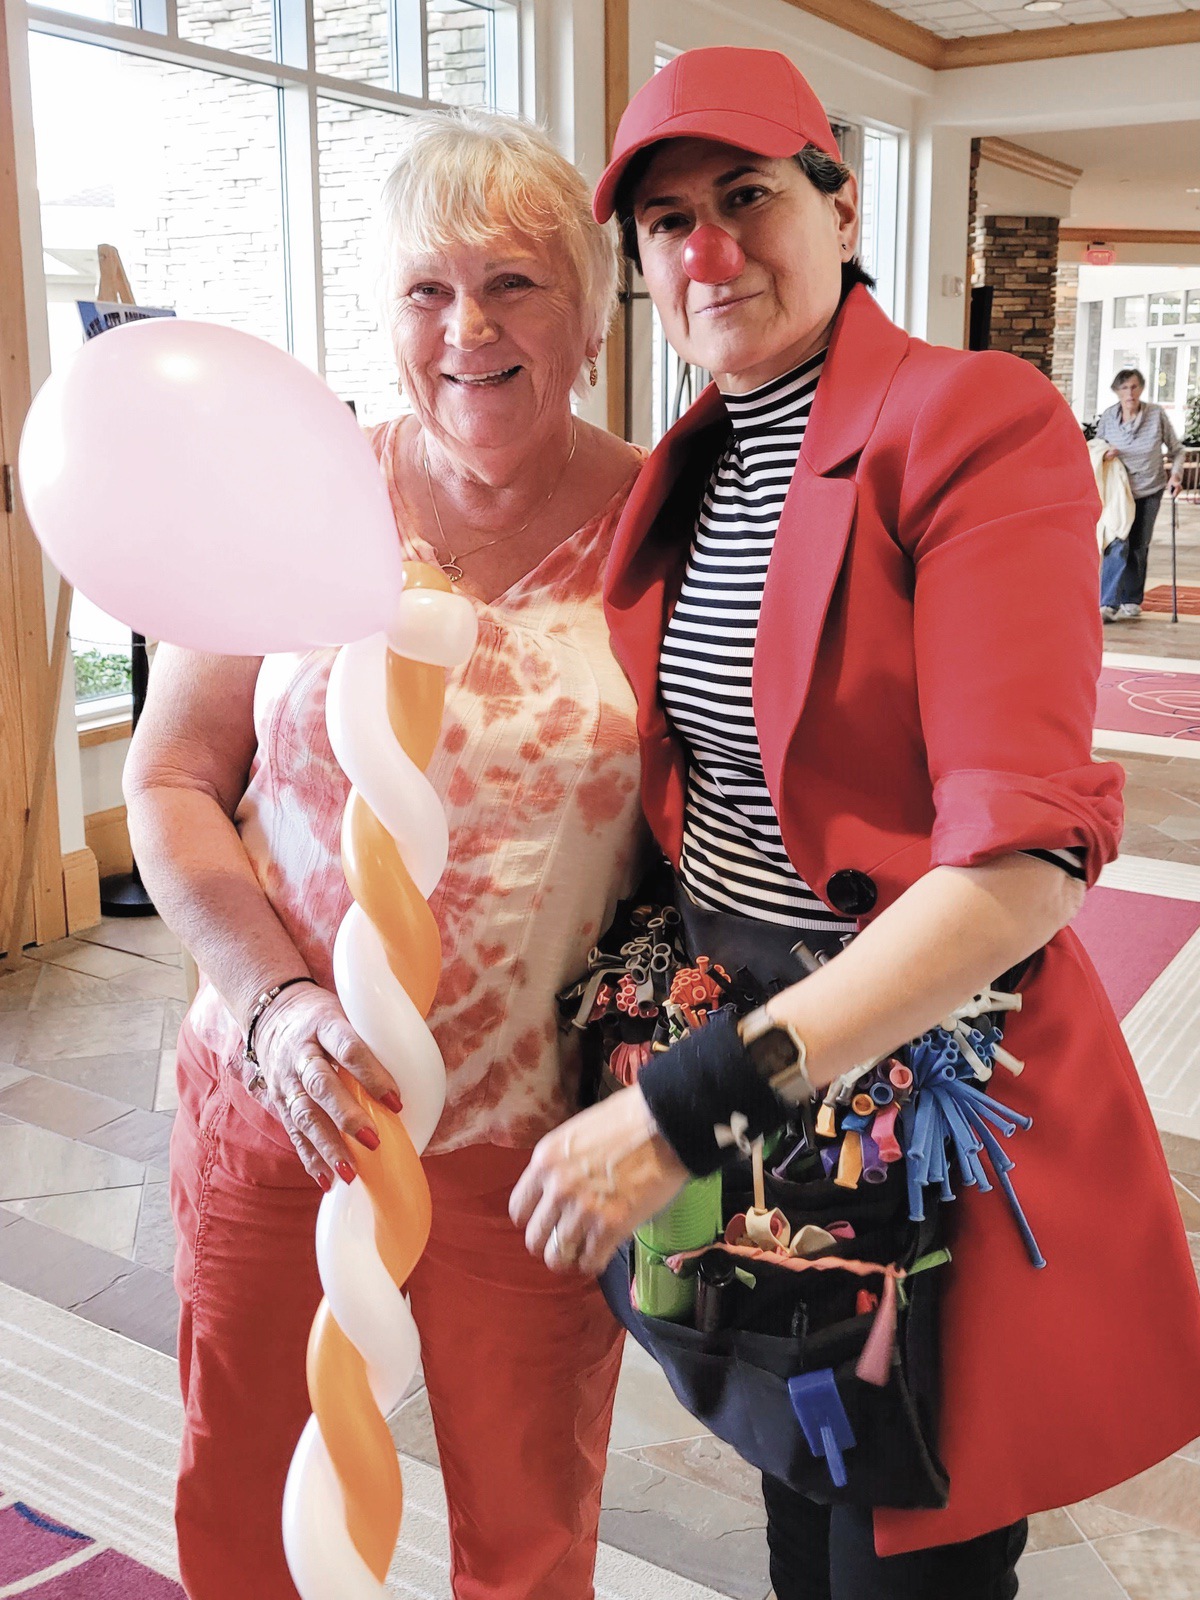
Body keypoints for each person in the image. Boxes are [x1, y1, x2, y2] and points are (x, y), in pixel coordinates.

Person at [511, 47, 1200, 1600]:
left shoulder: (969, 421)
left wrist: (689, 1103)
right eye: (666, 221)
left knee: (911, 1540)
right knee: (798, 1472)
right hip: (760, 1089)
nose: (707, 249)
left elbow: (1020, 868)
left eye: (746, 197)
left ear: (840, 202)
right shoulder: (689, 460)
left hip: (911, 1078)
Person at [124, 107, 646, 1600]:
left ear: (591, 318)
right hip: (279, 1095)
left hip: (533, 1139)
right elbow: (169, 777)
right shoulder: (297, 500)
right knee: (240, 1494)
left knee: (530, 1535)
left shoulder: (666, 530)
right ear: (389, 318)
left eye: (515, 284)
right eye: (428, 290)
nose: (467, 327)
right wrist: (276, 1004)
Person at [1097, 367, 1185, 621]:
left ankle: (1131, 598)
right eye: (1124, 388)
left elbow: (1178, 450)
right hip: (1118, 491)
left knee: (1138, 545)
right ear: (1116, 392)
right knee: (1117, 542)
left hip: (1149, 489)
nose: (1129, 392)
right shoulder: (1109, 417)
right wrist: (1104, 454)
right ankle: (1108, 603)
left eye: (1134, 387)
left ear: (1142, 389)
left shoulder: (1156, 415)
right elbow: (1096, 448)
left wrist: (1176, 475)